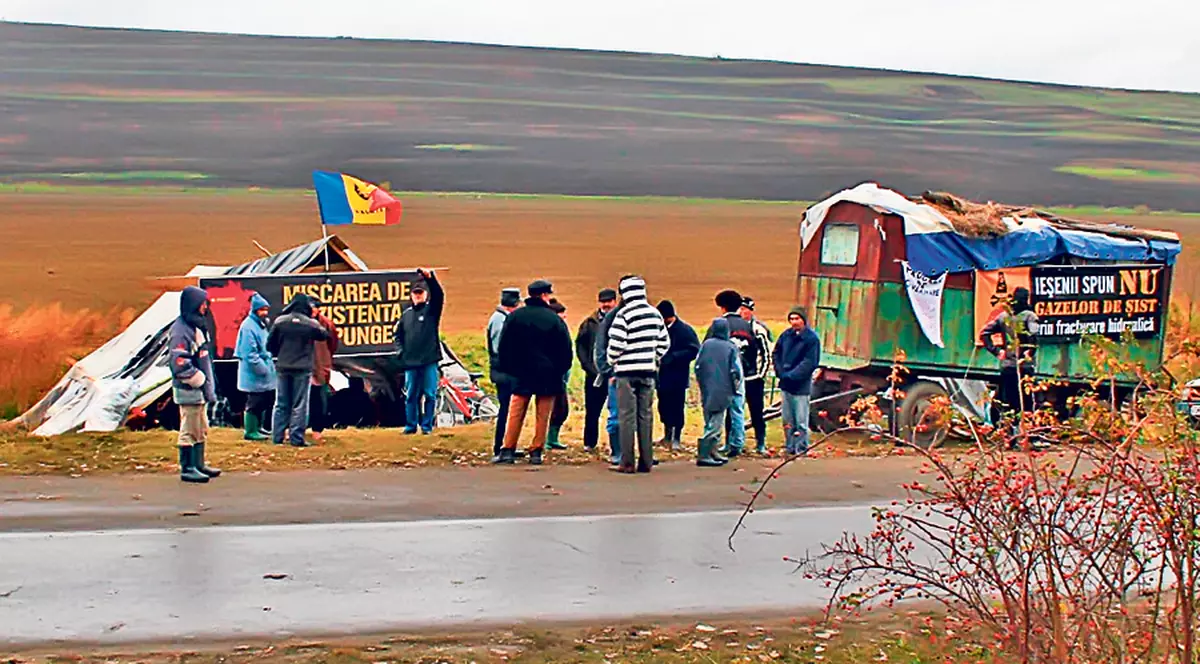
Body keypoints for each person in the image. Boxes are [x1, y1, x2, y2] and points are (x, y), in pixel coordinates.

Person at [493, 279, 573, 465]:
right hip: (548, 374)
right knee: (542, 414)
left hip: (521, 372)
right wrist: (559, 371)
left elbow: (504, 347)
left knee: (516, 410)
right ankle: (536, 450)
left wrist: (510, 369)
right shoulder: (554, 319)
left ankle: (508, 448)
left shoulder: (515, 317)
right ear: (545, 295)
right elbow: (565, 350)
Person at [607, 275, 670, 474]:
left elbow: (616, 344)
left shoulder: (623, 315)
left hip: (626, 373)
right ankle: (646, 461)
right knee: (646, 416)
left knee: (627, 417)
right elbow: (664, 342)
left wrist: (612, 361)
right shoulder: (654, 314)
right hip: (648, 372)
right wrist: (653, 357)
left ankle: (626, 462)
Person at [169, 286, 220, 483]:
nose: (206, 307)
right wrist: (199, 379)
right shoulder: (181, 332)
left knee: (200, 427)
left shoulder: (196, 326)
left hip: (200, 390)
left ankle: (198, 463)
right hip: (189, 388)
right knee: (189, 428)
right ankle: (187, 467)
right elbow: (179, 363)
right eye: (203, 303)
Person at [267, 293, 330, 447]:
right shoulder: (310, 324)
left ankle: (277, 436)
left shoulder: (280, 321)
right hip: (303, 367)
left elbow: (270, 345)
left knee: (281, 402)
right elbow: (324, 335)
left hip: (283, 366)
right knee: (300, 403)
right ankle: (297, 438)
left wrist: (279, 354)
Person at [393, 269, 445, 435]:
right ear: (411, 296)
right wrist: (400, 351)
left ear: (425, 295)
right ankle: (410, 426)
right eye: (415, 294)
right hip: (411, 362)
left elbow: (439, 295)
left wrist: (431, 279)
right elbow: (397, 336)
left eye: (420, 293)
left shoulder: (431, 311)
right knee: (411, 396)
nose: (418, 296)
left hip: (429, 360)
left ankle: (427, 426)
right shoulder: (406, 315)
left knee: (430, 395)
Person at [706, 289, 754, 457]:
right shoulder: (747, 326)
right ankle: (737, 443)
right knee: (738, 409)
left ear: (723, 307)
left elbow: (708, 348)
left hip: (721, 373)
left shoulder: (718, 325)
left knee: (717, 410)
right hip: (741, 372)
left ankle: (713, 443)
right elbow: (753, 350)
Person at [980, 286, 1039, 425]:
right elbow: (1034, 338)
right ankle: (1027, 435)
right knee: (1026, 403)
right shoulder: (1030, 316)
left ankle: (1009, 435)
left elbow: (984, 333)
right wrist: (1029, 353)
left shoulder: (1004, 316)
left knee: (1008, 401)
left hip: (1007, 366)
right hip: (1024, 366)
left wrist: (996, 351)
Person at [695, 317, 744, 467]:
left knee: (709, 418)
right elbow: (736, 371)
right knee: (716, 422)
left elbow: (698, 365)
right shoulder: (730, 347)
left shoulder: (706, 345)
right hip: (723, 389)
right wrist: (736, 388)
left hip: (706, 387)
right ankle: (704, 453)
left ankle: (712, 451)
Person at [773, 306, 822, 456]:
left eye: (797, 319)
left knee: (801, 420)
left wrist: (792, 375)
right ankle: (789, 447)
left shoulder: (811, 339)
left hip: (801, 386)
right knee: (787, 420)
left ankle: (801, 448)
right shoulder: (785, 336)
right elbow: (776, 353)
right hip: (786, 384)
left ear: (804, 320)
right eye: (791, 319)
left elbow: (809, 362)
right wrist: (780, 372)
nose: (794, 322)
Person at [576, 288, 618, 453]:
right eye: (603, 302)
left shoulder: (620, 320)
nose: (606, 305)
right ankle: (589, 443)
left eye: (609, 301)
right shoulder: (589, 323)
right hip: (594, 375)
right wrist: (588, 366)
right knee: (592, 411)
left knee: (617, 412)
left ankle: (616, 446)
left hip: (616, 374)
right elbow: (580, 346)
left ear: (615, 301)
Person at [655, 300, 700, 451]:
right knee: (663, 406)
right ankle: (666, 434)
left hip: (678, 377)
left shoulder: (685, 330)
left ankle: (676, 437)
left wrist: (674, 357)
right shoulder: (659, 329)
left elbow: (694, 350)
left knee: (677, 407)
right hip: (661, 377)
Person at [234, 291, 275, 442]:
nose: (264, 312)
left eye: (266, 309)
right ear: (255, 310)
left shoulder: (261, 325)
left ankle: (258, 427)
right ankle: (250, 430)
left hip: (264, 370)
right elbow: (249, 353)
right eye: (261, 309)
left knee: (263, 400)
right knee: (254, 402)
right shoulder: (248, 327)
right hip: (253, 372)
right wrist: (263, 369)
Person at [487, 288, 522, 459]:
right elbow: (499, 349)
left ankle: (508, 444)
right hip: (504, 372)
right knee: (506, 410)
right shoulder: (500, 321)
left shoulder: (499, 318)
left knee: (508, 409)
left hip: (502, 371)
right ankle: (501, 446)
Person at [739, 296, 774, 455]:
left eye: (744, 309)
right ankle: (733, 442)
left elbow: (767, 353)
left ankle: (760, 442)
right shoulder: (733, 327)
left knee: (757, 412)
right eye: (739, 309)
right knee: (734, 412)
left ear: (750, 311)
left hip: (754, 378)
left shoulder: (758, 329)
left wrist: (760, 375)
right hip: (737, 378)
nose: (741, 312)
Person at [594, 292, 625, 464]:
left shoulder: (645, 312)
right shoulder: (611, 318)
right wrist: (608, 371)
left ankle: (641, 452)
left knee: (641, 416)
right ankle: (617, 452)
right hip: (617, 375)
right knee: (615, 416)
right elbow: (601, 348)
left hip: (641, 374)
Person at [309, 299, 340, 443]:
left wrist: (326, 360)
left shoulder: (327, 324)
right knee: (301, 400)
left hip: (321, 366)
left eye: (315, 308)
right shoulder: (304, 323)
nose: (313, 311)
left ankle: (317, 430)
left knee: (319, 400)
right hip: (305, 365)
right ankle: (299, 428)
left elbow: (333, 343)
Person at [546, 298, 571, 450]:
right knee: (555, 409)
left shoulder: (561, 329)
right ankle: (548, 439)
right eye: (562, 314)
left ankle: (552, 438)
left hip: (562, 376)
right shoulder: (552, 331)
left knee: (561, 409)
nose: (564, 317)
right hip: (553, 375)